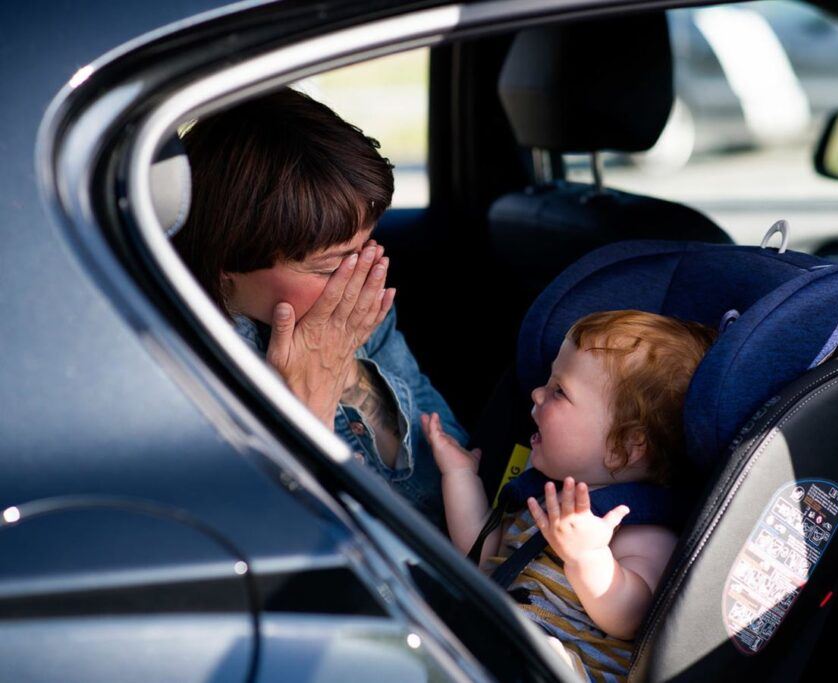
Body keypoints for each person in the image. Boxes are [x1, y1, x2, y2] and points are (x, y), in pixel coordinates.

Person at [172, 88, 466, 527]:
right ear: (224, 268)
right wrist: (309, 410)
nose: (361, 274)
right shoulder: (179, 367)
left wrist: (345, 372)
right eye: (330, 265)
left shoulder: (349, 314)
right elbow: (290, 541)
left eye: (366, 246)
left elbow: (453, 476)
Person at [422, 310, 717, 681]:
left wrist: (589, 556)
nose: (537, 392)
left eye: (559, 391)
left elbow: (630, 617)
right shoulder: (542, 494)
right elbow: (483, 556)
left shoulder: (641, 530)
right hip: (490, 641)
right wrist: (460, 474)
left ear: (624, 445)